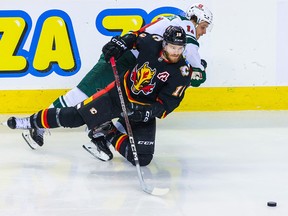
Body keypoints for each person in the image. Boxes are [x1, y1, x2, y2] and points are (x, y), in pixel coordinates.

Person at [23, 3, 213, 149]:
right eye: (203, 26)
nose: (203, 32)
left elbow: (140, 34)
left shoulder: (171, 19)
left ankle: (100, 135)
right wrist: (199, 69)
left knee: (129, 105)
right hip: (127, 60)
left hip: (137, 66)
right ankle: (39, 123)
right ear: (194, 19)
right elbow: (196, 73)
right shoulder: (187, 28)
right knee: (84, 92)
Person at [6, 25, 192, 166]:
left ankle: (107, 131)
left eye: (179, 48)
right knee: (75, 117)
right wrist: (119, 43)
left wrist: (145, 113)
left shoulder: (182, 72)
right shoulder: (152, 42)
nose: (175, 52)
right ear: (164, 44)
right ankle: (30, 122)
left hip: (141, 111)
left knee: (142, 158)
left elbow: (167, 104)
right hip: (120, 95)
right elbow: (134, 37)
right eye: (172, 47)